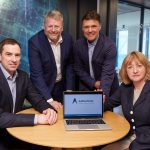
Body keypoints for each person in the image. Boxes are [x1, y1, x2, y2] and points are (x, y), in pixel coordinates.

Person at [0, 38, 57, 149]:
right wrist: (36, 118)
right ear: (0, 56)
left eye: (17, 55)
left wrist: (48, 109)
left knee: (44, 144)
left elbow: (37, 99)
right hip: (1, 133)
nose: (14, 59)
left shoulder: (23, 76)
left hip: (17, 129)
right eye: (8, 54)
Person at [102, 51, 150, 150]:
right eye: (130, 67)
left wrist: (133, 146)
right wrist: (100, 102)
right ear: (126, 71)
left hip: (145, 142)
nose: (135, 71)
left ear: (146, 68)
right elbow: (109, 104)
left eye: (139, 66)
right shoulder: (124, 88)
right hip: (129, 137)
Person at [28, 10, 74, 111]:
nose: (53, 30)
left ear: (61, 28)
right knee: (47, 118)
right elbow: (36, 75)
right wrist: (49, 100)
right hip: (42, 88)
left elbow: (70, 65)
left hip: (61, 86)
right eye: (50, 26)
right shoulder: (34, 42)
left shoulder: (68, 39)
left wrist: (69, 90)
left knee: (63, 116)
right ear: (44, 27)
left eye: (56, 26)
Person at [73, 10, 118, 98]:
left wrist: (102, 92)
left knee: (105, 112)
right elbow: (78, 68)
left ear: (99, 27)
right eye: (86, 27)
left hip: (106, 88)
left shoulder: (109, 46)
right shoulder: (78, 44)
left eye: (93, 26)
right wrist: (93, 83)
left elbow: (107, 74)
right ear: (82, 28)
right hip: (86, 87)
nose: (90, 30)